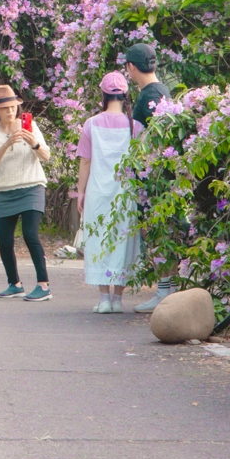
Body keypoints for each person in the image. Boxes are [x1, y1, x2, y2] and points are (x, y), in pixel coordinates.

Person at [77, 72, 144, 312]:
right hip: (126, 195)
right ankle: (117, 299)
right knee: (122, 240)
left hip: (98, 193)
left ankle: (104, 298)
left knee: (99, 239)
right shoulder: (135, 126)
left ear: (103, 95)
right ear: (125, 96)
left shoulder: (91, 124)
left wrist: (80, 192)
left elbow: (85, 161)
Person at [0, 84, 52, 301]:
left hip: (32, 186)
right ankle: (14, 283)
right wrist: (7, 144)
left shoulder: (30, 127)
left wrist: (34, 143)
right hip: (5, 190)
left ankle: (43, 285)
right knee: (4, 241)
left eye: (13, 107)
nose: (10, 111)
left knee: (30, 234)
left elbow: (46, 156)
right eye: (5, 109)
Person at [123, 43, 175, 312]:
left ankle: (165, 292)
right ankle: (168, 289)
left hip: (153, 177)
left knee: (156, 231)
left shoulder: (149, 96)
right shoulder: (160, 90)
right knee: (160, 231)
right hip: (156, 175)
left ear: (132, 67)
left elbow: (155, 138)